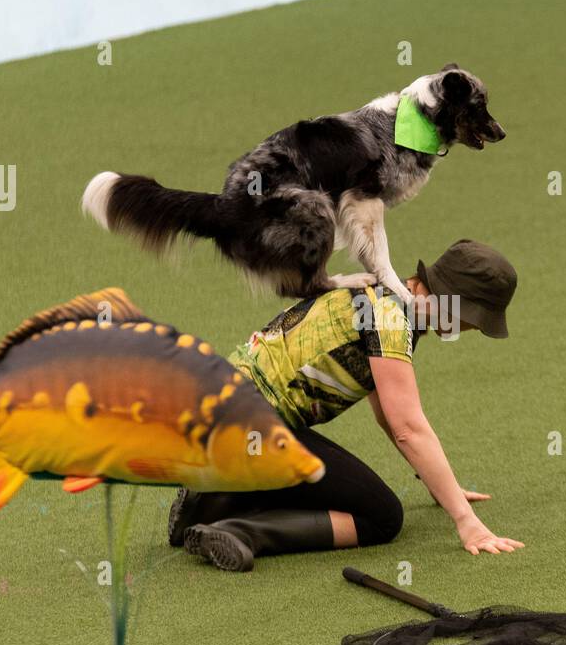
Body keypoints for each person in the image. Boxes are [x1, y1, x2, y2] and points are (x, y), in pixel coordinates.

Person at [169, 239, 525, 572]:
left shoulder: (375, 294)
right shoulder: (390, 320)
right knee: (382, 517)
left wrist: (439, 487)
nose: (470, 329)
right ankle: (243, 529)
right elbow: (408, 429)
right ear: (452, 300)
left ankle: (216, 495)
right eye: (473, 318)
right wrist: (467, 522)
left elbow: (388, 415)